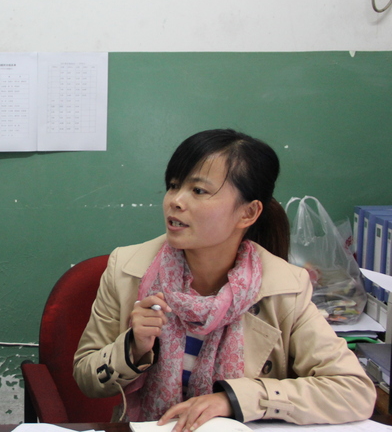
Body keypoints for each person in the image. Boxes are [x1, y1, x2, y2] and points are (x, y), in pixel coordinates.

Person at [73, 129, 375, 432]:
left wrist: (233, 399)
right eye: (173, 186)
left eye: (198, 191)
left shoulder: (285, 288)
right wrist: (133, 347)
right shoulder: (127, 269)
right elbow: (86, 377)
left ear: (248, 213)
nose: (175, 201)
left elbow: (354, 391)